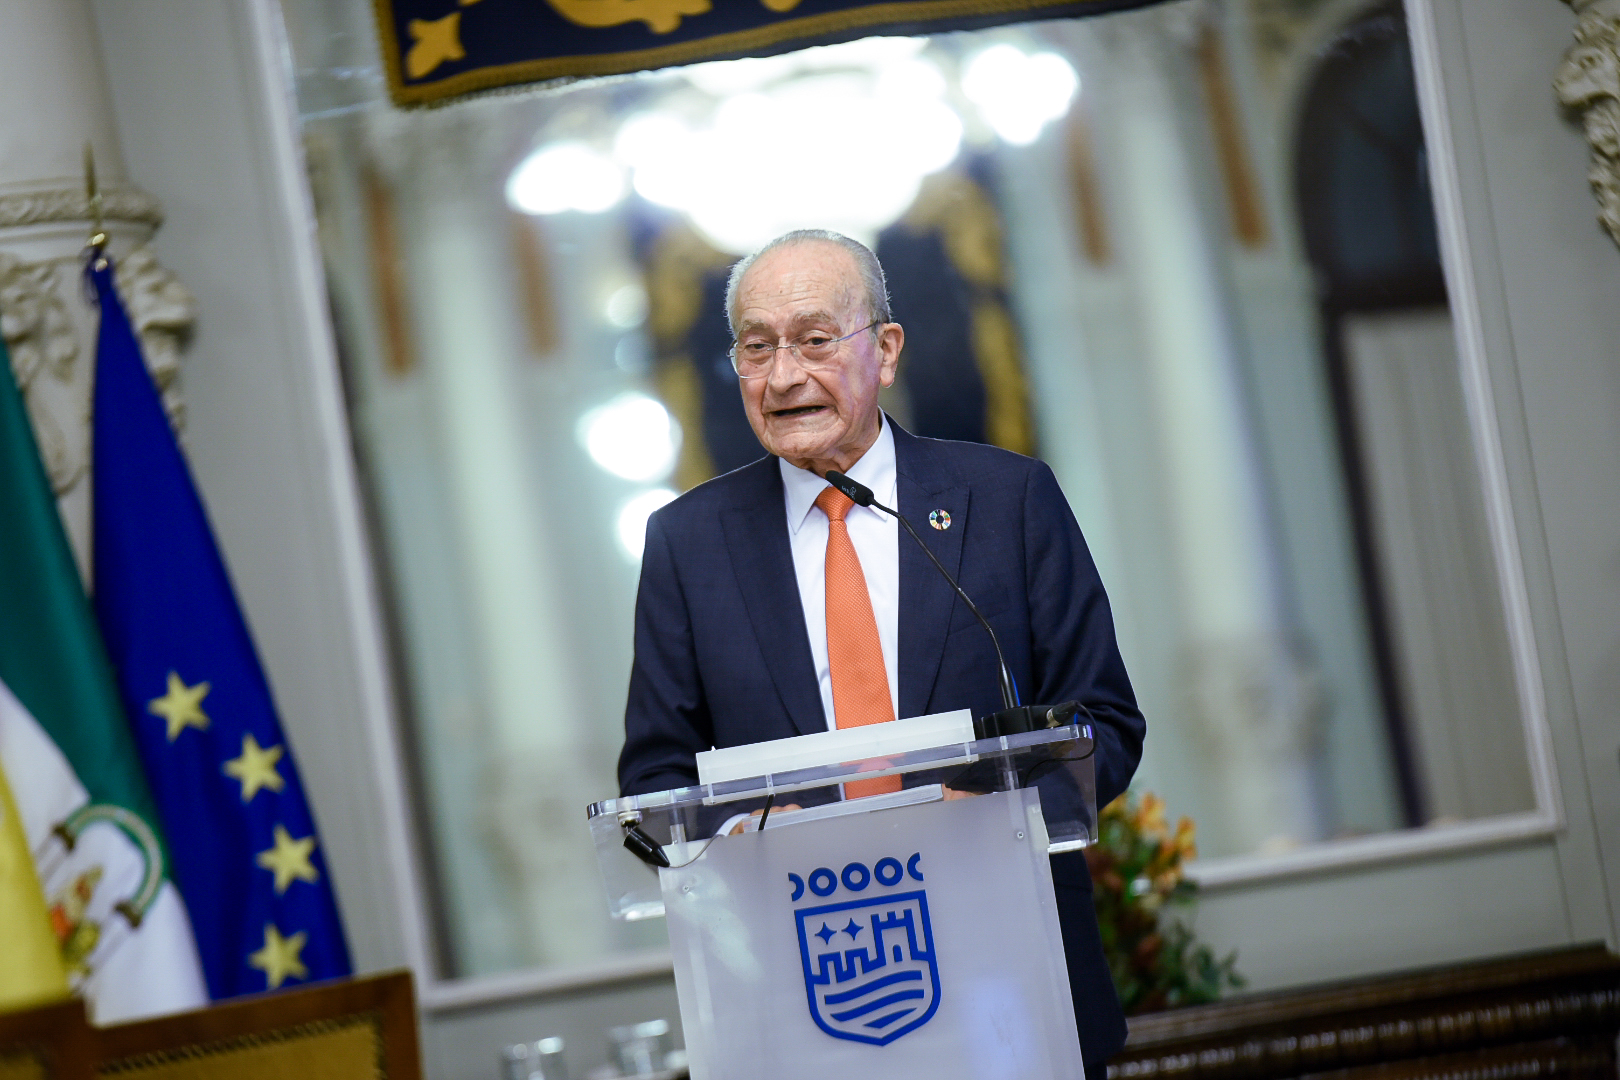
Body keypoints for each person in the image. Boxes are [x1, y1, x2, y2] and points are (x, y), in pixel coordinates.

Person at [619, 228, 1145, 1076]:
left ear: (886, 350)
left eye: (815, 340)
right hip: (805, 997)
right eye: (757, 348)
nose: (783, 377)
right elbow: (655, 779)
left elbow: (1105, 724)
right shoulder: (688, 545)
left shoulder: (1006, 500)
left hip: (1015, 982)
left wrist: (991, 821)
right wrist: (751, 836)